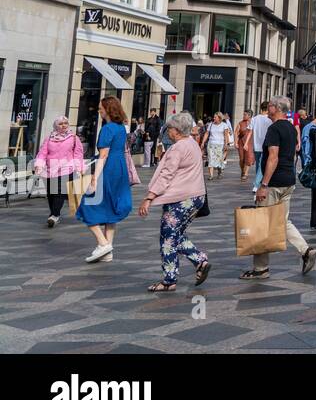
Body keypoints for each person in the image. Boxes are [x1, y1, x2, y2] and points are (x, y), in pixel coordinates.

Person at [241, 96, 316, 280]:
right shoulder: (291, 128)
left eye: (269, 106)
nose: (267, 108)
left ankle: (261, 269)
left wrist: (263, 184)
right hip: (288, 181)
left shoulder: (274, 129)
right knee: (282, 221)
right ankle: (306, 250)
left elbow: (273, 157)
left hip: (274, 183)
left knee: (261, 224)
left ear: (276, 108)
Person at [138, 112, 211, 292]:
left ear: (176, 130)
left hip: (180, 199)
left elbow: (167, 174)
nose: (167, 131)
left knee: (168, 238)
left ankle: (170, 279)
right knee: (176, 234)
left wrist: (149, 197)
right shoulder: (193, 144)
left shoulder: (178, 148)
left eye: (169, 128)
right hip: (196, 197)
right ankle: (199, 260)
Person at [76, 96, 136, 263]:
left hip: (108, 169)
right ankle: (107, 251)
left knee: (86, 206)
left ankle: (103, 244)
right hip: (120, 169)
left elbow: (103, 155)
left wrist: (94, 178)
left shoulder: (107, 129)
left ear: (108, 109)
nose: (99, 110)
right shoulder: (120, 128)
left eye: (100, 107)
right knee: (110, 210)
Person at [32, 116, 86, 227]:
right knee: (51, 194)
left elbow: (78, 154)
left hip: (67, 168)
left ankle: (55, 215)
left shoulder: (73, 138)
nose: (63, 125)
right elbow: (43, 152)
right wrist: (39, 164)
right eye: (61, 124)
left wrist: (79, 167)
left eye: (65, 123)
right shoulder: (49, 138)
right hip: (50, 169)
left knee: (59, 192)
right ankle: (53, 214)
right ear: (56, 125)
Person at [249, 101, 271, 190]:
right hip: (265, 145)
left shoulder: (254, 119)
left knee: (258, 165)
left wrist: (247, 143)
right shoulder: (270, 119)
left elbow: (250, 132)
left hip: (256, 145)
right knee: (262, 165)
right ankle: (257, 184)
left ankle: (259, 182)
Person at [205, 111, 232, 180]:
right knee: (210, 159)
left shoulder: (224, 125)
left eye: (215, 117)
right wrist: (203, 143)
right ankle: (211, 175)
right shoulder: (210, 124)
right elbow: (207, 134)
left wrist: (226, 145)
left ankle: (219, 171)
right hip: (211, 144)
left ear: (219, 118)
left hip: (220, 145)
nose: (214, 118)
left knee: (219, 161)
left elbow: (226, 136)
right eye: (214, 117)